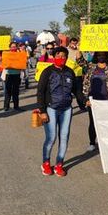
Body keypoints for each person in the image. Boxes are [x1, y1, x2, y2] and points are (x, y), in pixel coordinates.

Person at [38, 46, 86, 177]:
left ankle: (59, 164)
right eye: (58, 56)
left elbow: (76, 91)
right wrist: (42, 111)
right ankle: (46, 163)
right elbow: (40, 92)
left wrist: (85, 101)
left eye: (64, 56)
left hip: (66, 110)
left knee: (64, 138)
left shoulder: (70, 72)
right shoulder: (47, 72)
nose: (61, 58)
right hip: (51, 109)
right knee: (51, 138)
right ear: (54, 57)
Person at [80, 51, 108, 151]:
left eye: (103, 55)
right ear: (96, 56)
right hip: (93, 99)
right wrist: (79, 48)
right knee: (93, 121)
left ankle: (105, 141)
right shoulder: (91, 67)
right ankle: (92, 142)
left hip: (107, 99)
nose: (101, 57)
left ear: (106, 56)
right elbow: (80, 61)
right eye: (99, 55)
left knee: (106, 121)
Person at [3, 42, 22, 112]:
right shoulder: (6, 55)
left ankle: (16, 106)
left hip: (17, 74)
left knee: (16, 91)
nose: (13, 48)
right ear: (9, 48)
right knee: (8, 91)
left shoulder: (20, 54)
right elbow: (4, 64)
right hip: (9, 74)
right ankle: (6, 106)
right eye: (12, 47)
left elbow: (22, 64)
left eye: (14, 47)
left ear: (16, 47)